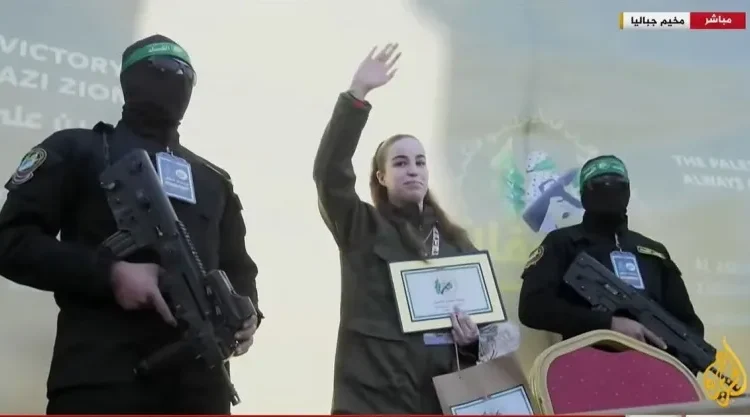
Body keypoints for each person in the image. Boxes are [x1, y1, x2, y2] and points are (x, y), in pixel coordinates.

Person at [0, 34, 261, 414]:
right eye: (163, 68)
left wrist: (247, 314)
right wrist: (110, 273)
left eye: (186, 73)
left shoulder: (212, 179)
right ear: (131, 78)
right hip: (103, 379)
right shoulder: (77, 149)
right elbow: (11, 241)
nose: (177, 78)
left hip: (201, 388)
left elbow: (238, 268)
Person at [313, 44, 485, 414]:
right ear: (381, 176)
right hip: (373, 402)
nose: (413, 170)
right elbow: (329, 175)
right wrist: (357, 94)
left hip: (439, 402)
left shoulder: (457, 244)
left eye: (420, 162)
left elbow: (484, 334)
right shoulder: (362, 228)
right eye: (401, 162)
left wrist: (471, 342)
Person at [518, 155, 705, 372]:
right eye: (600, 184)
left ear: (628, 190)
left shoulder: (654, 252)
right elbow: (533, 307)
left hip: (651, 372)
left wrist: (676, 366)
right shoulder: (563, 243)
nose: (609, 190)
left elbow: (688, 325)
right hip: (586, 372)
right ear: (584, 193)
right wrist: (607, 324)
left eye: (617, 184)